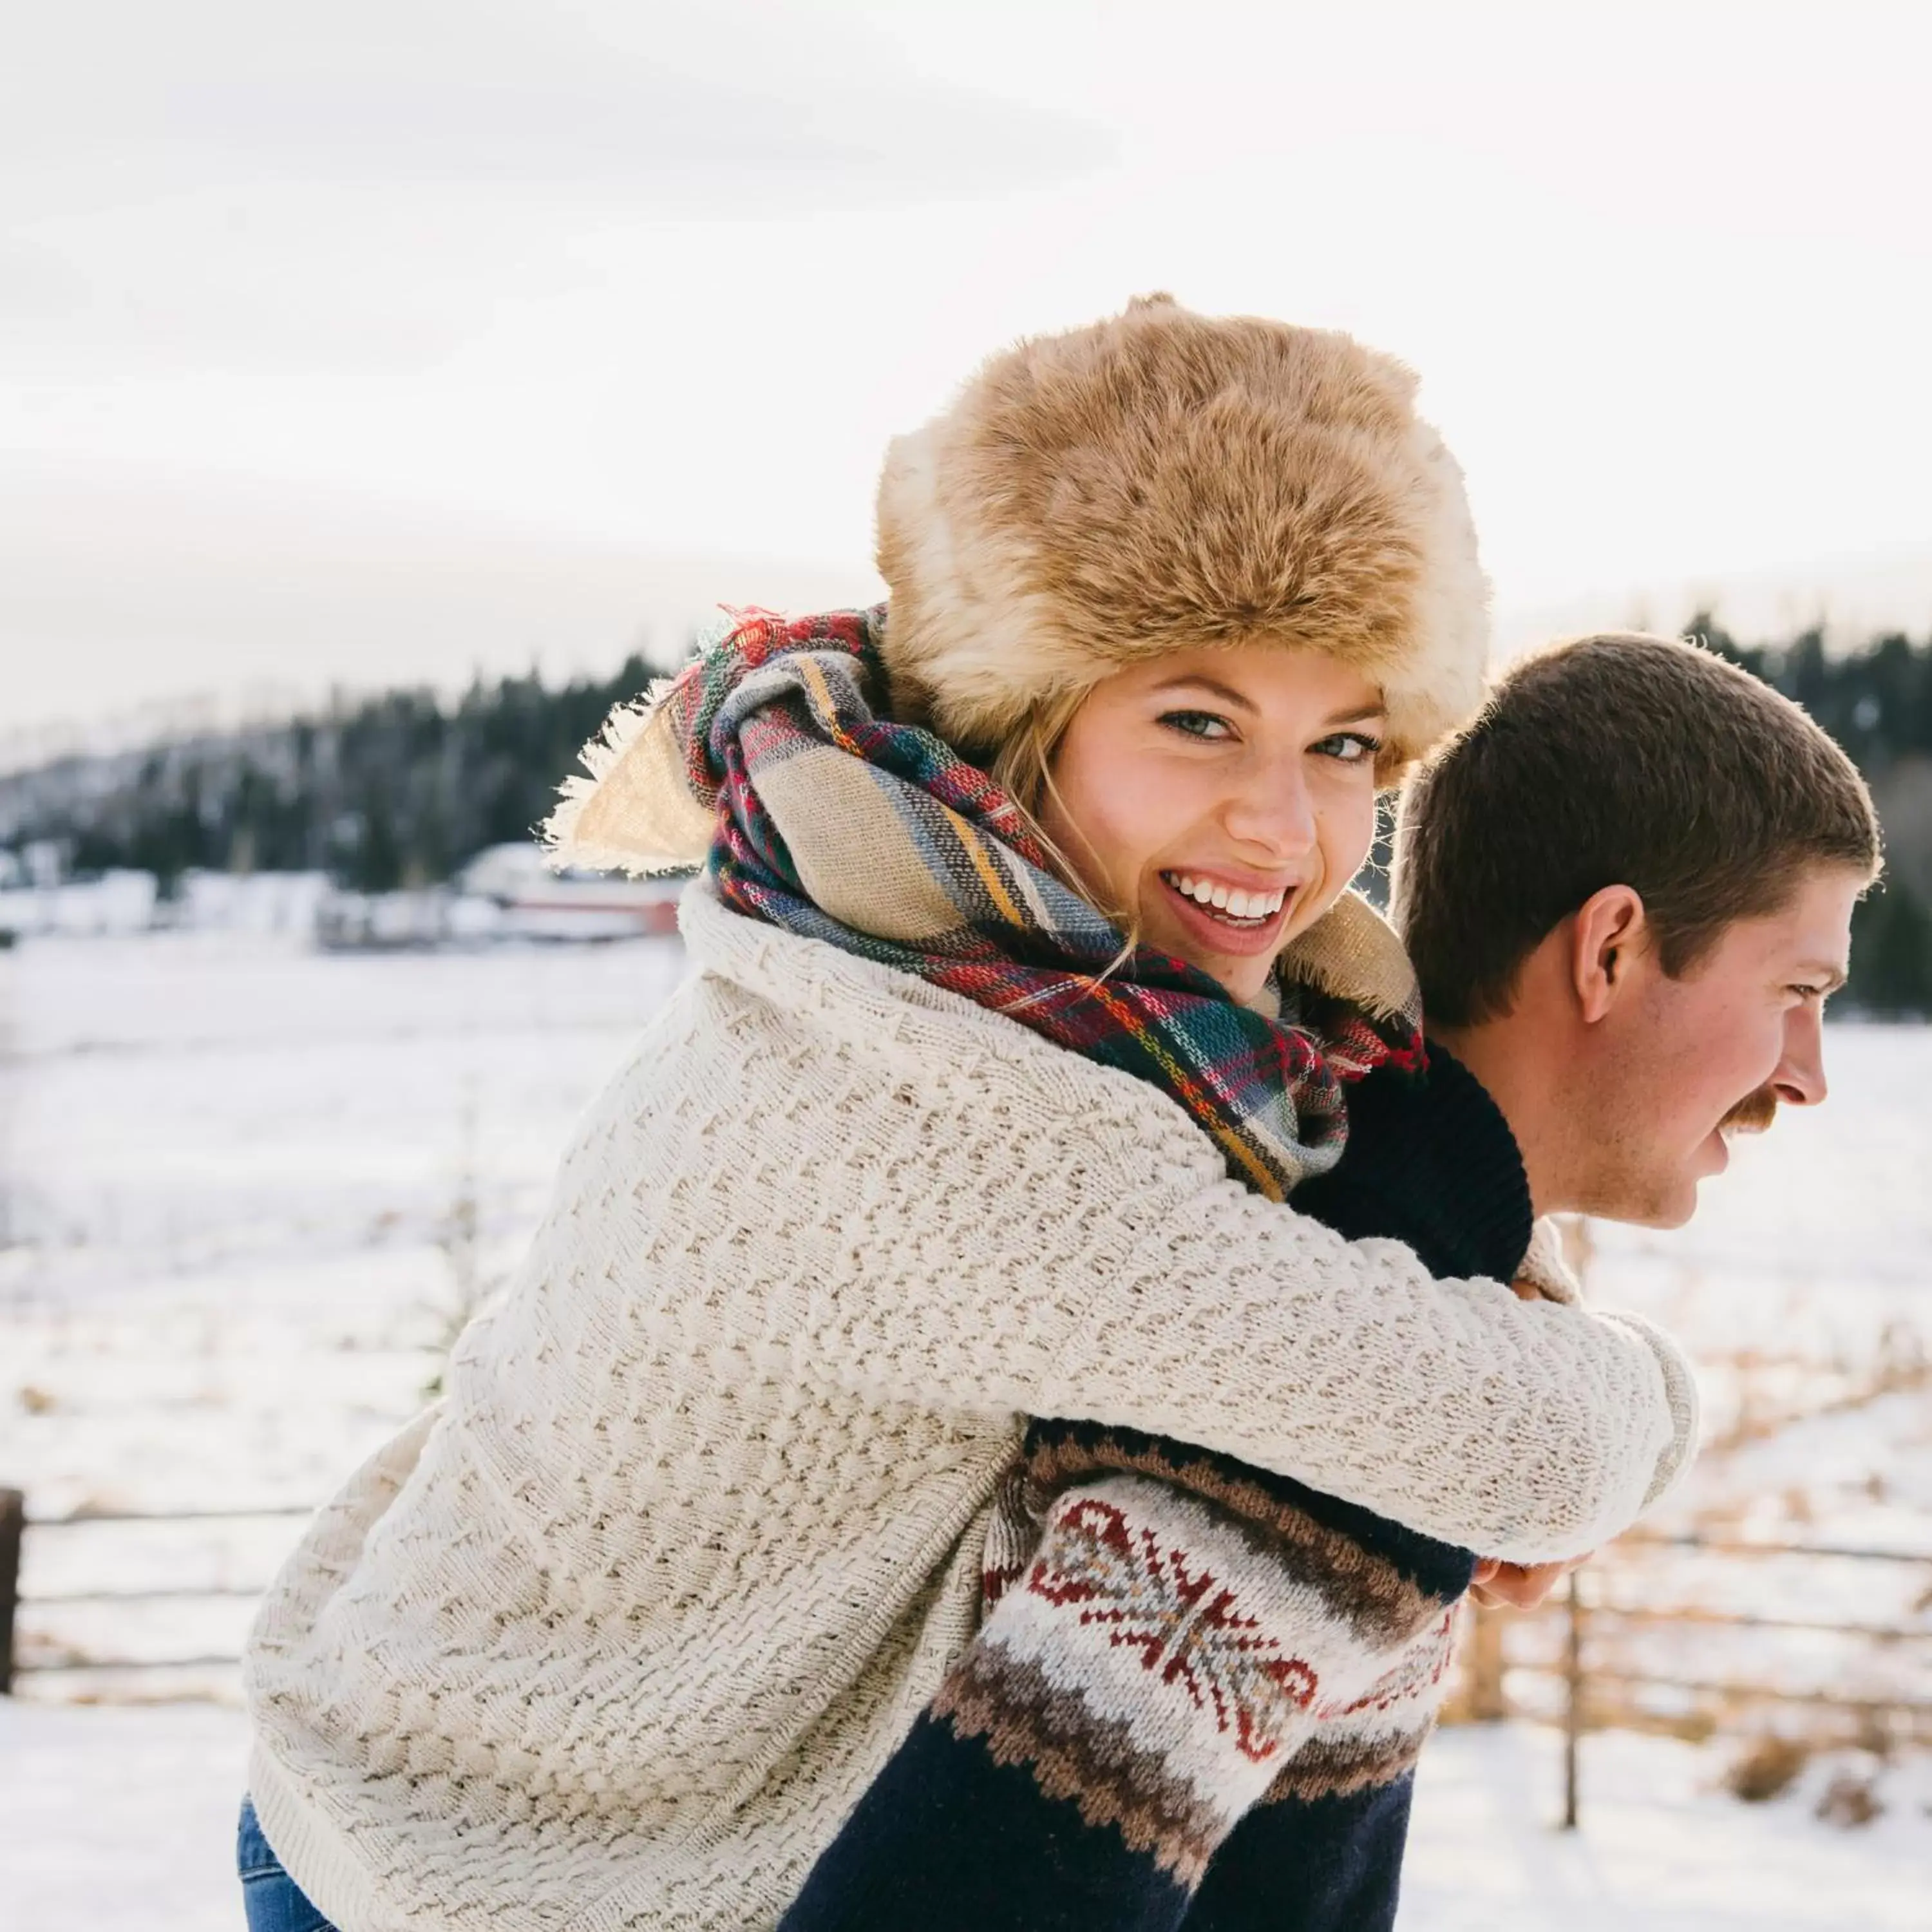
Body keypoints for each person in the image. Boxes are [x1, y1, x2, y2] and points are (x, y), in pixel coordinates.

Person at [236, 298, 1700, 1932]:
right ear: (1026, 713)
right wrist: (1623, 1403)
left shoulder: (1096, 984)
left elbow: (1342, 1223)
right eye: (1196, 719)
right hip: (487, 1859)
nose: (1287, 826)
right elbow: (1532, 1438)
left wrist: (1486, 1353)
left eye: (1346, 740)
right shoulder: (913, 1098)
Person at [779, 630, 1877, 1931]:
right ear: (1613, 951)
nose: (1809, 1072)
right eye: (1796, 989)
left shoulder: (1394, 1277)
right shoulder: (1350, 1414)